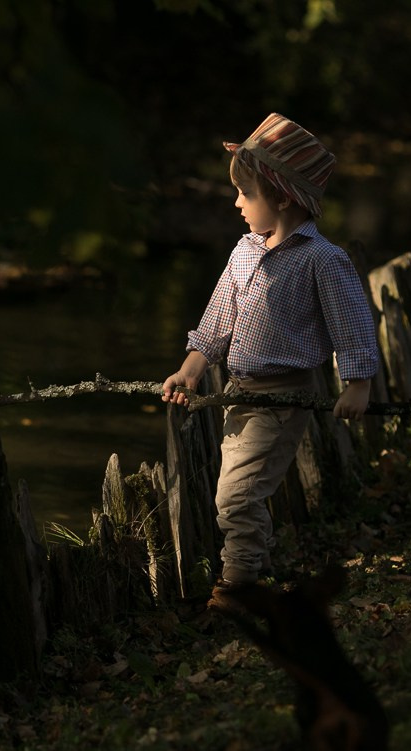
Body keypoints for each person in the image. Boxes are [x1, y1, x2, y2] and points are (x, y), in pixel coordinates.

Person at [160, 112, 380, 611]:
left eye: (246, 193)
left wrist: (358, 383)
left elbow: (352, 324)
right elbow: (218, 319)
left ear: (282, 198)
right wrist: (192, 368)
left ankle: (239, 585)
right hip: (239, 390)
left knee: (235, 496)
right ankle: (251, 565)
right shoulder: (244, 252)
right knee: (236, 487)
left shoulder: (322, 260)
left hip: (284, 397)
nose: (236, 203)